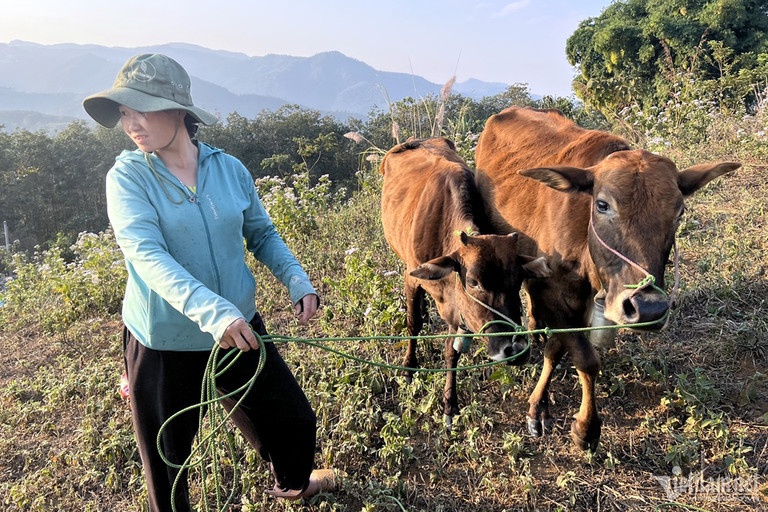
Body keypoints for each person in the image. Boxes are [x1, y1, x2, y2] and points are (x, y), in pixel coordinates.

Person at [83, 53, 334, 511]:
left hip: (236, 326)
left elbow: (261, 233)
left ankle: (296, 484)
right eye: (123, 112)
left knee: (291, 419)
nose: (130, 123)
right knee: (168, 459)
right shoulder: (127, 177)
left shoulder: (229, 169)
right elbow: (146, 254)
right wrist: (211, 310)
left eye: (140, 108)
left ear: (178, 110)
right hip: (164, 339)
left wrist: (297, 279)